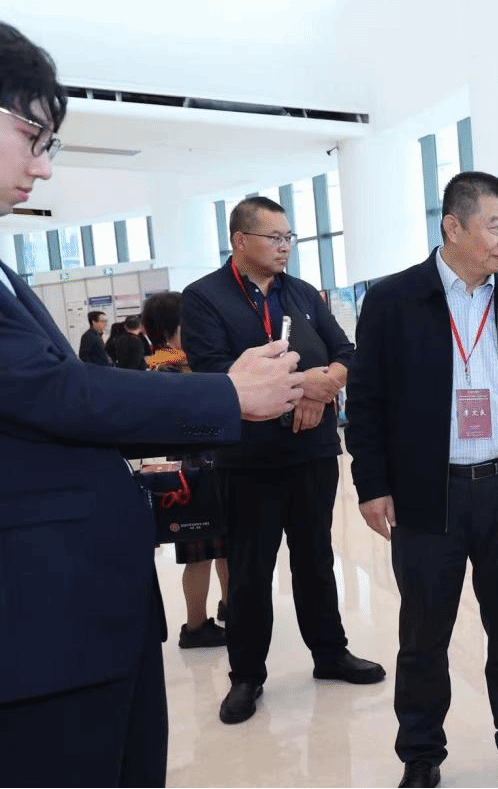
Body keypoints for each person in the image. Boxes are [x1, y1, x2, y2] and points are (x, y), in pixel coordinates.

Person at [0, 22, 305, 788]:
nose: (43, 165)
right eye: (32, 135)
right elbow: (58, 393)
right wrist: (228, 394)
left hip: (83, 608)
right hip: (42, 623)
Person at [345, 171, 498, 789]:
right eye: (496, 226)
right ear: (453, 226)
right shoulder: (393, 301)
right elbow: (364, 402)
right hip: (427, 495)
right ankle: (421, 757)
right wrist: (371, 483)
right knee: (424, 635)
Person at [181, 195, 385, 727]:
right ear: (240, 240)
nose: (285, 246)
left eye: (288, 237)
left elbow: (347, 353)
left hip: (311, 454)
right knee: (250, 570)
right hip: (248, 460)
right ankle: (247, 675)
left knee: (316, 559)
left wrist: (326, 386)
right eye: (274, 237)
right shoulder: (205, 298)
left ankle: (330, 653)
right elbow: (215, 373)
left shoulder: (304, 294)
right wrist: (305, 389)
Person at [142, 291, 229, 648]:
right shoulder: (169, 365)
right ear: (170, 328)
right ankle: (195, 626)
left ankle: (230, 607)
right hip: (195, 472)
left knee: (223, 548)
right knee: (202, 554)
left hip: (202, 467)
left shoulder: (167, 362)